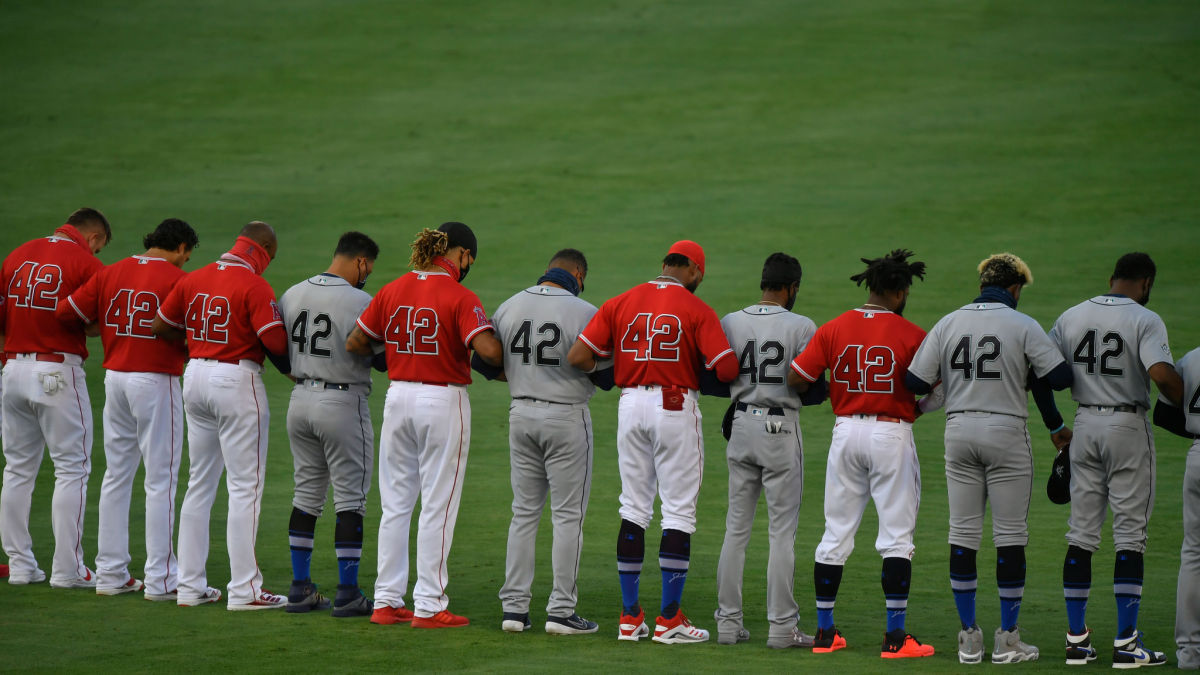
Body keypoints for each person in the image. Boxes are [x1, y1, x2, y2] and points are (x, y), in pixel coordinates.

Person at [567, 240, 737, 645]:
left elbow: (578, 355)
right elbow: (727, 368)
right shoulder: (697, 309)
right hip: (675, 407)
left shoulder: (620, 301)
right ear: (694, 271)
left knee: (634, 507)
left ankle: (629, 618)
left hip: (630, 407)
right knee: (677, 512)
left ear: (664, 265)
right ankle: (669, 619)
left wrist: (607, 374)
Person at [906, 253, 1073, 663]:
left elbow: (913, 381)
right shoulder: (1022, 324)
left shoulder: (949, 322)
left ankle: (968, 639)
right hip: (1006, 434)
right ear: (1014, 288)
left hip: (958, 432)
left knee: (962, 534)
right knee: (1010, 535)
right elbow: (1061, 378)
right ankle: (1007, 640)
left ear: (982, 284)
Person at [346, 222, 502, 628]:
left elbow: (357, 342)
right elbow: (488, 350)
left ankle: (386, 601)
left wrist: (397, 358)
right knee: (438, 504)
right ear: (461, 254)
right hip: (441, 400)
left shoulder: (393, 288)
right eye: (470, 258)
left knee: (395, 505)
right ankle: (430, 605)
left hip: (398, 397)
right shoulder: (460, 295)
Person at [786, 248, 937, 659]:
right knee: (896, 538)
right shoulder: (913, 335)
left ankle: (824, 633)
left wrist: (837, 389)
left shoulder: (835, 327)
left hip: (845, 432)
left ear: (870, 286)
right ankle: (894, 638)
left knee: (835, 534)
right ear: (901, 292)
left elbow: (797, 378)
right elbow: (938, 388)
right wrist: (914, 411)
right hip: (892, 434)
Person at [1046, 252, 1185, 667]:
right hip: (1127, 426)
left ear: (1112, 278)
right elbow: (1161, 374)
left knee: (1081, 535)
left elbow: (1046, 370)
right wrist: (1183, 398)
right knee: (1129, 537)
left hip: (1084, 425)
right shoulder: (1146, 319)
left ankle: (1076, 641)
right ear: (1145, 283)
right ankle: (1127, 645)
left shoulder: (1071, 316)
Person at [152, 221, 292, 610]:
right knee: (245, 487)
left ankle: (190, 586)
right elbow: (276, 341)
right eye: (271, 256)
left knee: (199, 483)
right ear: (262, 248)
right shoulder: (253, 284)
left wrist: (195, 346)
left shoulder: (194, 277)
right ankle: (245, 590)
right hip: (236, 380)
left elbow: (160, 324)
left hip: (194, 376)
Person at [472, 248, 612, 635]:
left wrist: (522, 379)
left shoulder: (511, 305)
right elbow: (606, 374)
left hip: (521, 416)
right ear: (578, 274)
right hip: (566, 418)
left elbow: (484, 363)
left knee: (524, 513)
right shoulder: (584, 311)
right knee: (567, 517)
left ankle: (514, 611)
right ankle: (561, 611)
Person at [61, 218, 198, 600]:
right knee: (161, 480)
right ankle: (161, 579)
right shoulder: (177, 279)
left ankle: (110, 573)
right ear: (182, 247)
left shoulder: (113, 270)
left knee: (116, 476)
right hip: (155, 381)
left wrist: (102, 324)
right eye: (187, 255)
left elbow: (67, 313)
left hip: (115, 379)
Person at [711, 252, 824, 649]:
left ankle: (727, 624)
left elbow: (713, 374)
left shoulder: (730, 321)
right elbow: (809, 386)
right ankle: (781, 628)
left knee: (735, 529)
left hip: (741, 423)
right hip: (780, 426)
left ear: (763, 283)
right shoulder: (802, 325)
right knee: (781, 535)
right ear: (791, 288)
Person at [1, 208, 111, 588]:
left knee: (17, 470)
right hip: (54, 373)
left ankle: (20, 566)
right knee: (72, 468)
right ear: (93, 238)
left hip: (12, 370)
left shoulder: (17, 254)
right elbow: (96, 324)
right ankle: (67, 569)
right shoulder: (85, 263)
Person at [279, 231, 382, 618]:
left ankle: (299, 587)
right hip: (342, 401)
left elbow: (276, 346)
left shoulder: (292, 294)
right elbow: (380, 356)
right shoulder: (360, 300)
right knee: (350, 499)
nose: (367, 273)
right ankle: (348, 591)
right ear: (360, 262)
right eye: (368, 267)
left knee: (306, 495)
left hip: (299, 400)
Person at [1151, 345, 1200, 669]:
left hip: (1198, 458)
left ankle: (1189, 654)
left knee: (1194, 553)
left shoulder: (1193, 358)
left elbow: (1163, 414)